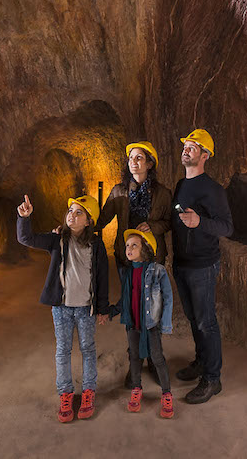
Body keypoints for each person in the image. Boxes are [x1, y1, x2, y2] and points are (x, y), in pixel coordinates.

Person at [16, 194, 110, 423]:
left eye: (79, 212)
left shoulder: (96, 245)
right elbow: (26, 238)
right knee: (63, 350)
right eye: (70, 211)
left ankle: (88, 392)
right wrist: (24, 218)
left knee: (88, 349)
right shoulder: (56, 239)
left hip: (86, 308)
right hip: (62, 308)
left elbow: (102, 278)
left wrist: (103, 308)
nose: (72, 215)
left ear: (89, 221)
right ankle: (65, 393)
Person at [96, 141, 172, 386]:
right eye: (131, 158)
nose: (134, 161)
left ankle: (154, 360)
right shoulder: (119, 191)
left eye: (140, 157)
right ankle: (136, 364)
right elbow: (101, 219)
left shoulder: (162, 193)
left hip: (152, 262)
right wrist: (72, 225)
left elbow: (169, 222)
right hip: (127, 260)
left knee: (153, 312)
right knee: (132, 313)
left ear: (150, 163)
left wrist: (154, 226)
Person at [171, 129, 233, 404]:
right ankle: (201, 361)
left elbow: (227, 227)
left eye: (193, 147)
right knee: (194, 318)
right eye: (186, 145)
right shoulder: (180, 185)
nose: (187, 149)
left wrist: (200, 223)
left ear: (205, 156)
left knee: (206, 322)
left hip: (203, 266)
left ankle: (212, 379)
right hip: (182, 264)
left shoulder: (213, 189)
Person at [109, 229, 174, 418]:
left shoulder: (157, 271)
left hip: (150, 324)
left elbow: (168, 298)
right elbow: (125, 300)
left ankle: (167, 393)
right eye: (127, 245)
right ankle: (136, 389)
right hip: (133, 324)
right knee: (134, 357)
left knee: (157, 357)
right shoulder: (128, 273)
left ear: (145, 249)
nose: (128, 249)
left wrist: (166, 322)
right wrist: (111, 312)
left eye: (134, 245)